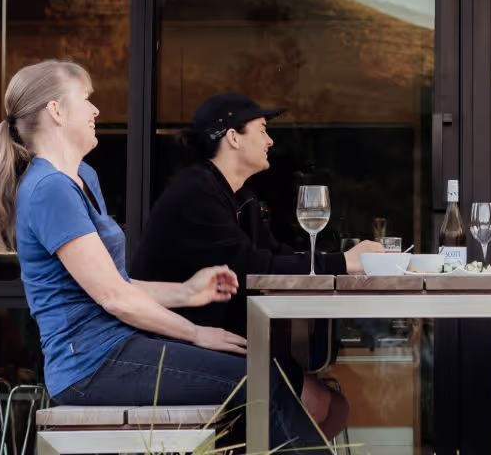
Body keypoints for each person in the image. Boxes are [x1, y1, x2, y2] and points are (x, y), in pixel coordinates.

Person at [0, 61, 324, 449]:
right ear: (56, 110)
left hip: (118, 348)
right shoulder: (50, 189)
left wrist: (187, 292)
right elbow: (114, 298)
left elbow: (117, 284)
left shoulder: (82, 177)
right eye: (86, 99)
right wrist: (196, 333)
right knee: (261, 383)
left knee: (265, 378)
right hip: (90, 365)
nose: (95, 110)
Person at [132, 91, 384, 438]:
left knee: (332, 406)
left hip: (229, 341)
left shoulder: (240, 196)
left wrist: (339, 263)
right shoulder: (194, 193)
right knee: (320, 405)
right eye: (262, 129)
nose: (270, 140)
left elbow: (274, 255)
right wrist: (344, 262)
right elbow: (253, 267)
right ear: (233, 138)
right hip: (177, 347)